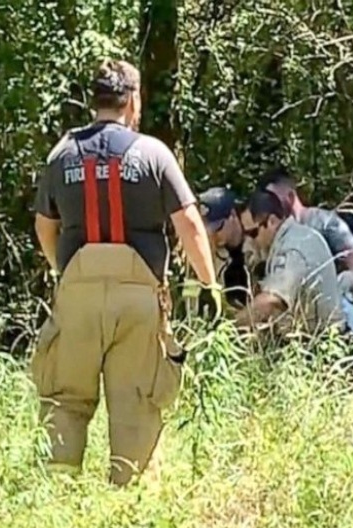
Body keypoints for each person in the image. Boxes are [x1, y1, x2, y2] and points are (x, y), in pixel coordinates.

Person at [30, 59, 219, 486]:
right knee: (136, 401)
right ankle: (127, 504)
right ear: (132, 101)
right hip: (138, 297)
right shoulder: (154, 153)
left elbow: (44, 224)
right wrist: (208, 284)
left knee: (65, 398)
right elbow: (188, 223)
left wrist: (65, 272)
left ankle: (59, 496)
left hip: (77, 294)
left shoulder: (62, 155)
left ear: (93, 101)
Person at [234, 189, 345, 336]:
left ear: (272, 221)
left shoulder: (292, 248)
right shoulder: (293, 236)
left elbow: (272, 300)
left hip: (322, 342)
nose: (250, 241)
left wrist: (230, 327)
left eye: (253, 233)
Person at [254, 167, 353, 294]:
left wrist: (348, 280)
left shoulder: (322, 221)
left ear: (290, 197)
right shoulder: (273, 233)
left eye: (273, 198)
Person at [196, 186, 254, 310]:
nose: (214, 236)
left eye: (218, 228)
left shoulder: (257, 245)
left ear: (233, 215)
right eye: (208, 232)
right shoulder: (213, 254)